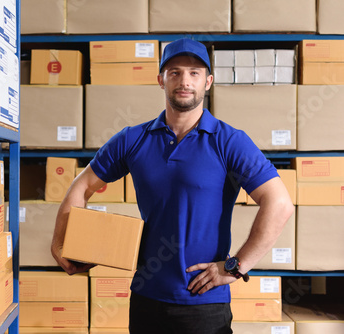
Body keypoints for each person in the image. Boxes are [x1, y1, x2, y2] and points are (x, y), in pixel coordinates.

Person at [51, 38, 294, 334]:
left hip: (203, 304)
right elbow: (81, 187)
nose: (185, 81)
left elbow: (279, 203)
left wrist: (235, 266)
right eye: (175, 72)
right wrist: (61, 240)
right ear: (161, 80)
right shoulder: (133, 139)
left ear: (208, 82)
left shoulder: (229, 141)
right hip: (146, 297)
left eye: (194, 73)